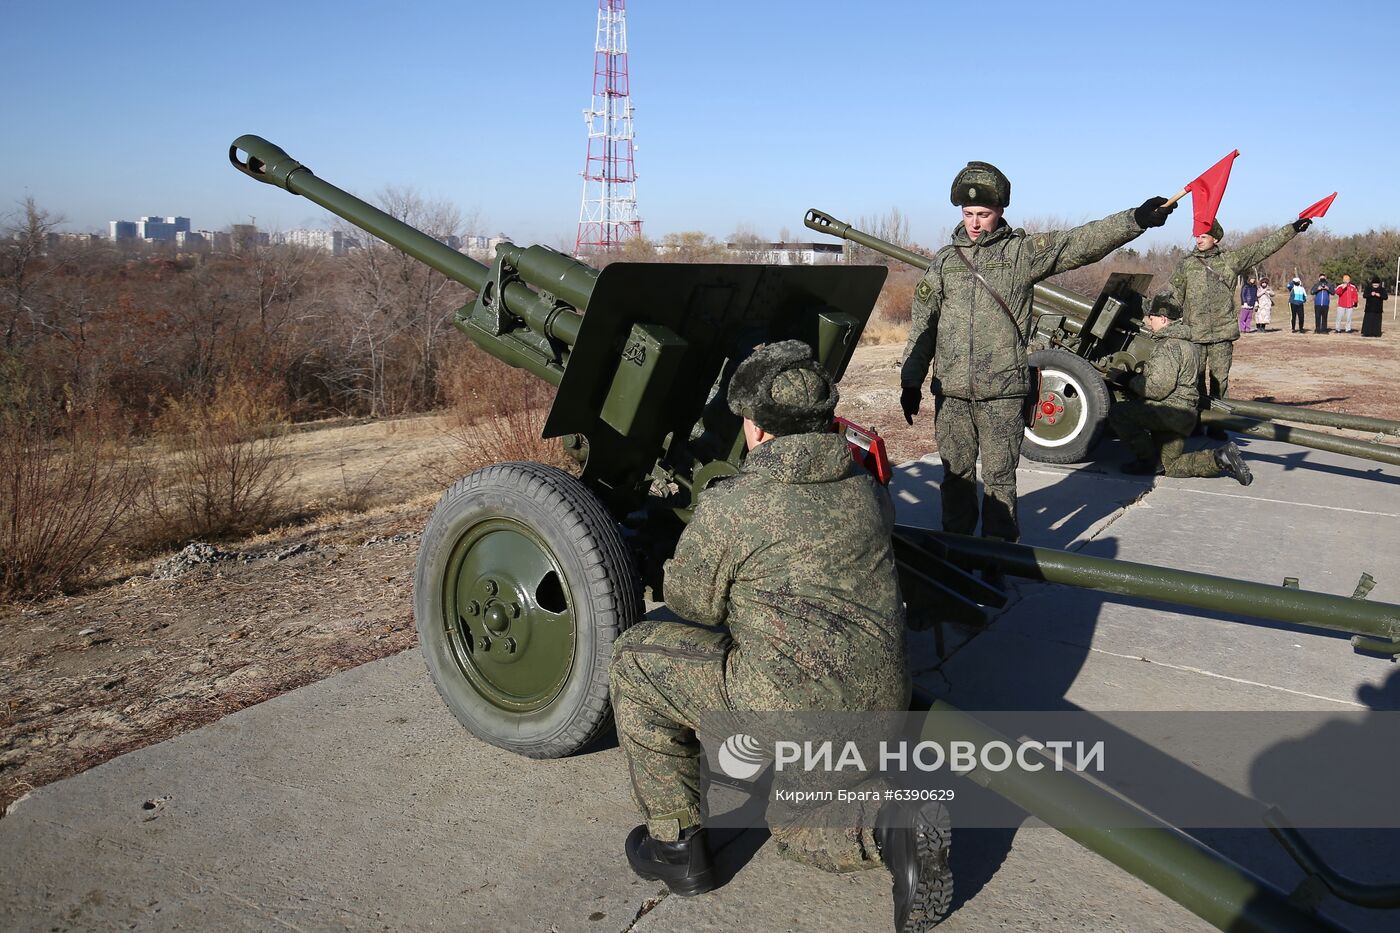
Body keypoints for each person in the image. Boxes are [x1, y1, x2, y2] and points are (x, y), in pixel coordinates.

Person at [610, 340, 949, 933]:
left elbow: (691, 603)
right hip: (882, 705)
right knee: (797, 823)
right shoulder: (866, 491)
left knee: (633, 663)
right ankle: (891, 826)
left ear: (758, 429)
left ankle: (677, 848)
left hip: (790, 709)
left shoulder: (737, 505)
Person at [900, 161, 1176, 542]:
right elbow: (923, 326)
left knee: (999, 481)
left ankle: (998, 557)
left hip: (1002, 394)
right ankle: (957, 552)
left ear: (1000, 211)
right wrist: (911, 381)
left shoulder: (1020, 254)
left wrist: (1136, 220)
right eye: (968, 214)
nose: (975, 223)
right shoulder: (945, 263)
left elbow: (1078, 243)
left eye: (983, 214)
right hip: (952, 395)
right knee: (955, 477)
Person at [1107, 294, 1253, 485]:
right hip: (1184, 415)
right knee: (1171, 465)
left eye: (1151, 317)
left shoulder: (1168, 346)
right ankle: (1221, 458)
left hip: (1168, 412)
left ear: (1163, 319)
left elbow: (1157, 389)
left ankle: (1146, 461)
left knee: (1118, 413)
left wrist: (1128, 380)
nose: (1149, 322)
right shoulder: (1188, 344)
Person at [1168, 217, 1307, 405]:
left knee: (1220, 383)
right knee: (1193, 382)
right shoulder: (1186, 264)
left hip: (1221, 334)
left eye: (1204, 236)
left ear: (1215, 239)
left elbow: (1262, 248)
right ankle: (1196, 419)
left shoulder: (1230, 260)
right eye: (1197, 236)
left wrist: (1292, 229)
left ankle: (1219, 420)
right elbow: (1173, 295)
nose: (1198, 240)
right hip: (1194, 334)